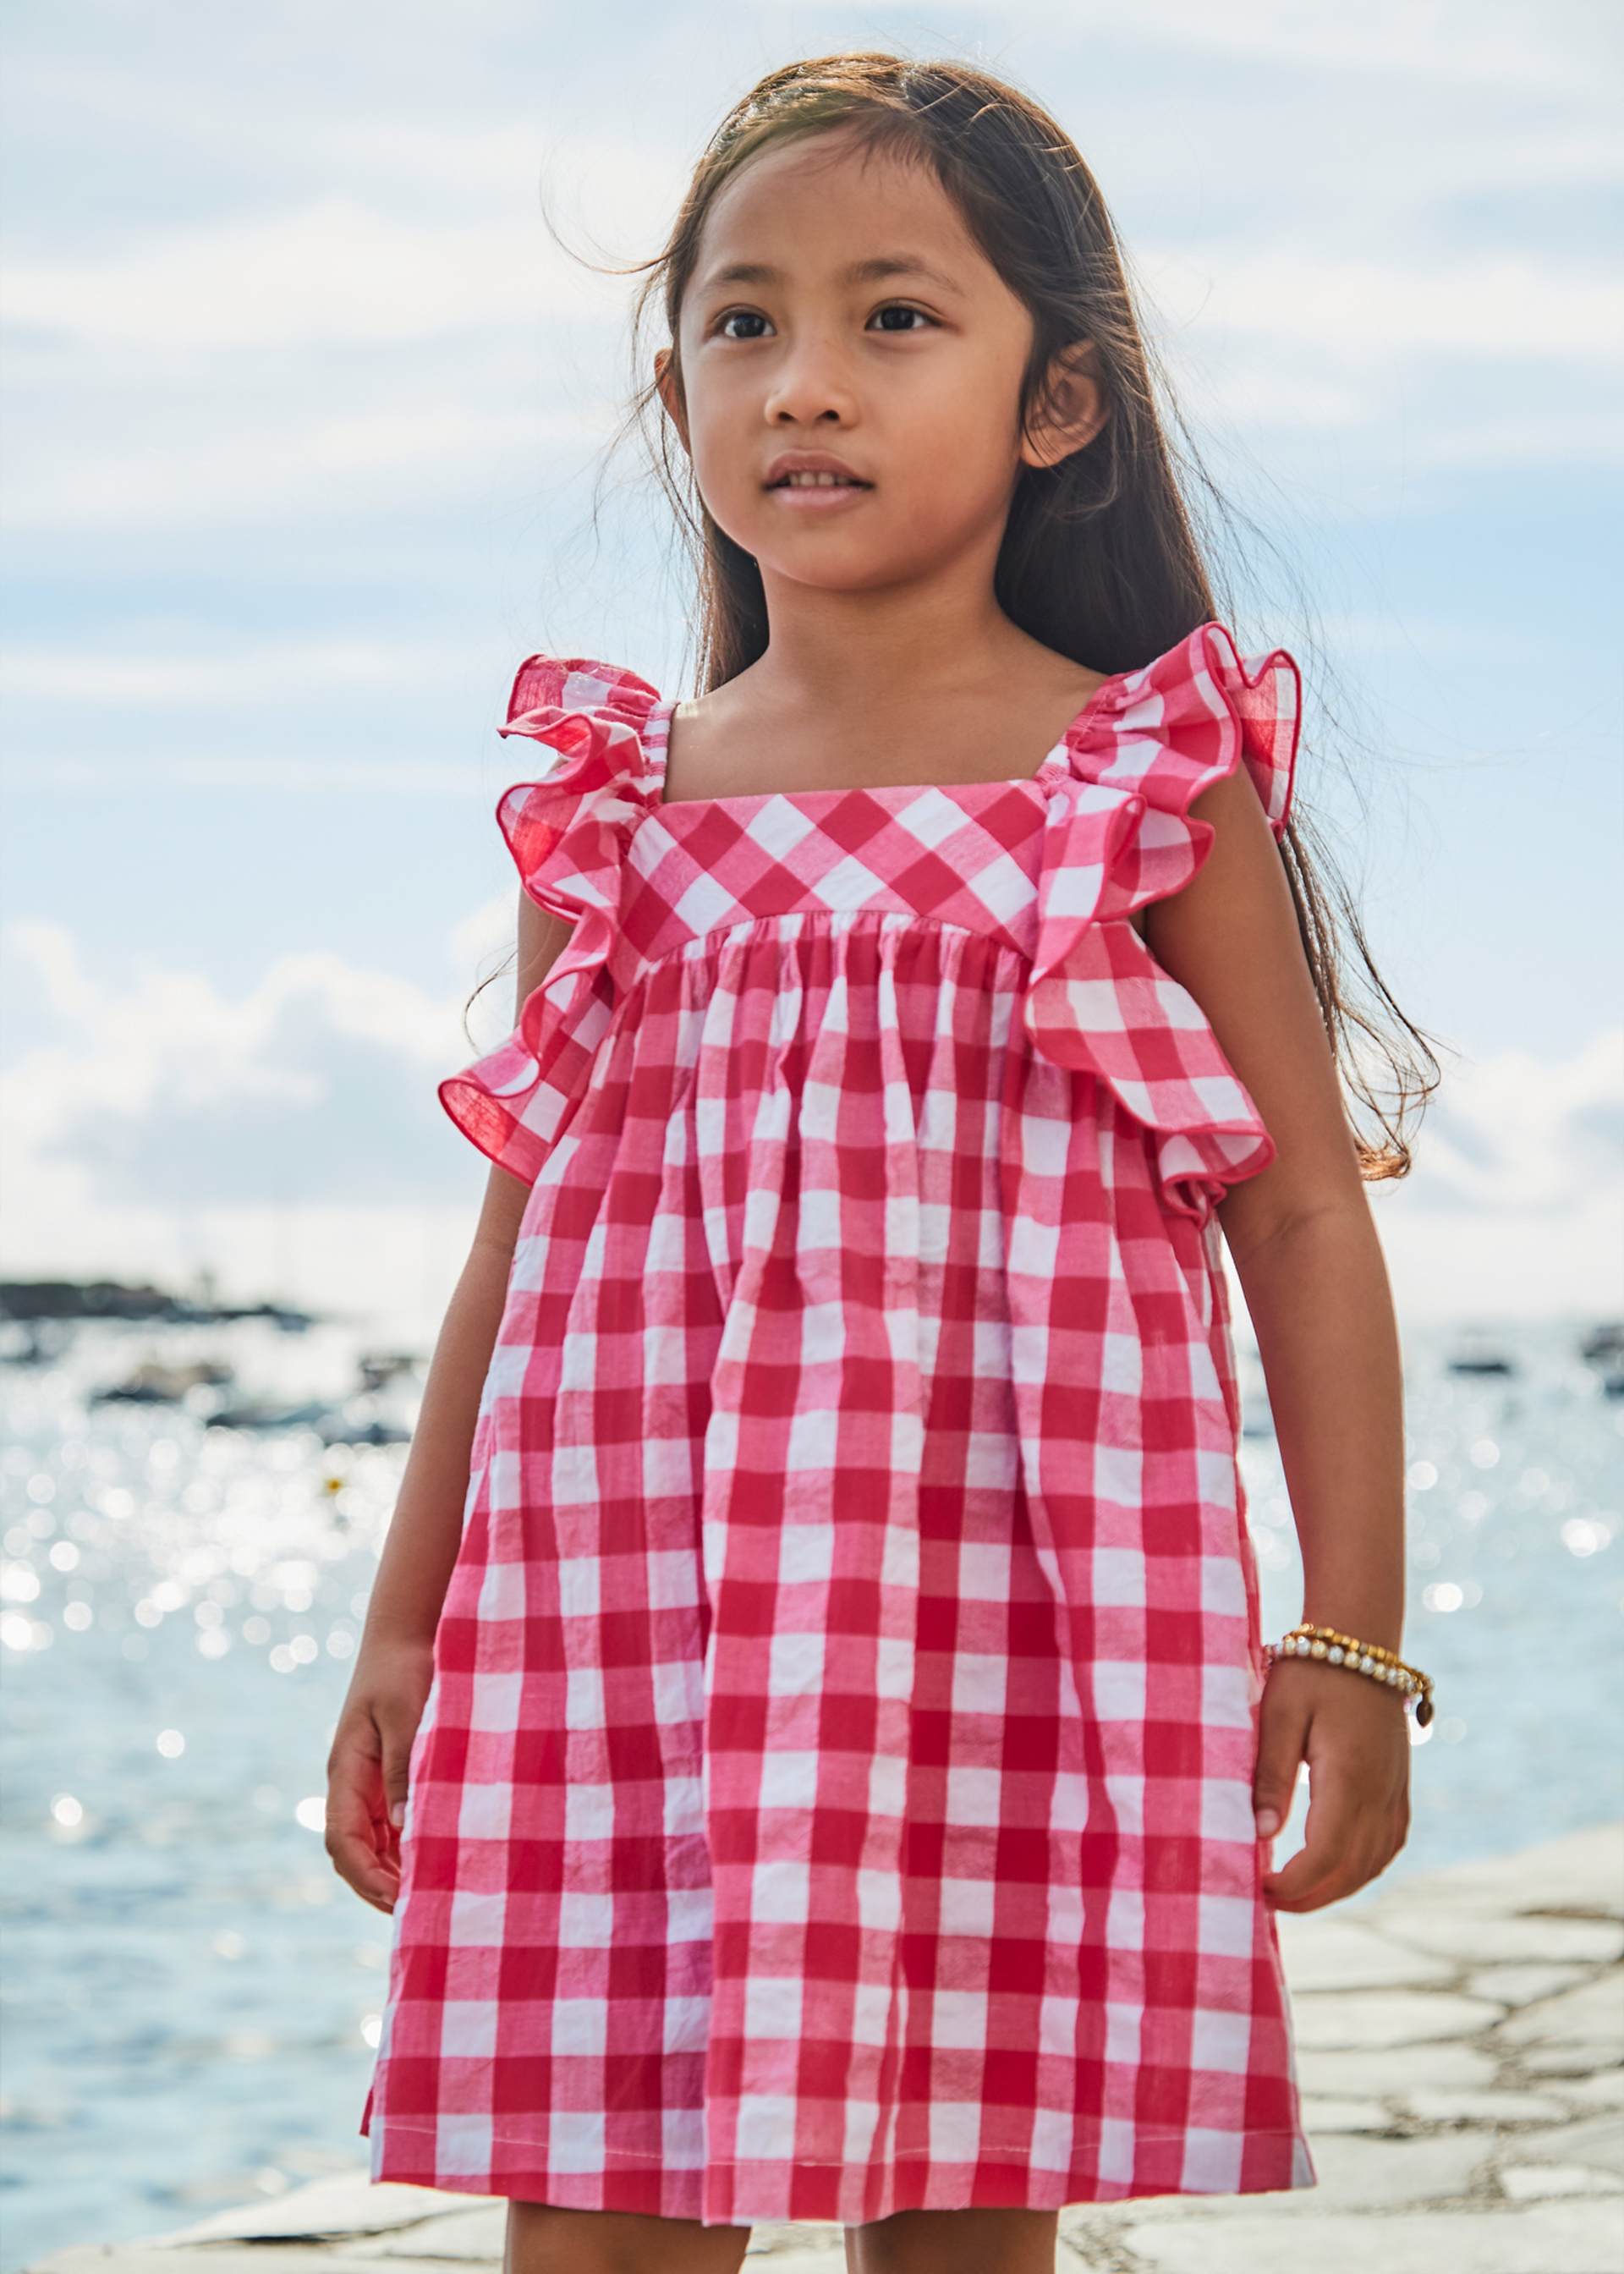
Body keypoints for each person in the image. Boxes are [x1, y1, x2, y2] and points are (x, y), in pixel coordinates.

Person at [326, 50, 1441, 2274]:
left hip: (1002, 1622)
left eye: (893, 317)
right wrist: (400, 1623)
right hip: (619, 1622)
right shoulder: (615, 804)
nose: (804, 381)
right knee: (605, 2219)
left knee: (955, 2229)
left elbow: (1302, 1208)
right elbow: (518, 1239)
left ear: (1059, 405)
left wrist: (1349, 1631)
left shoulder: (1136, 779)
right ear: (678, 399)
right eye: (744, 322)